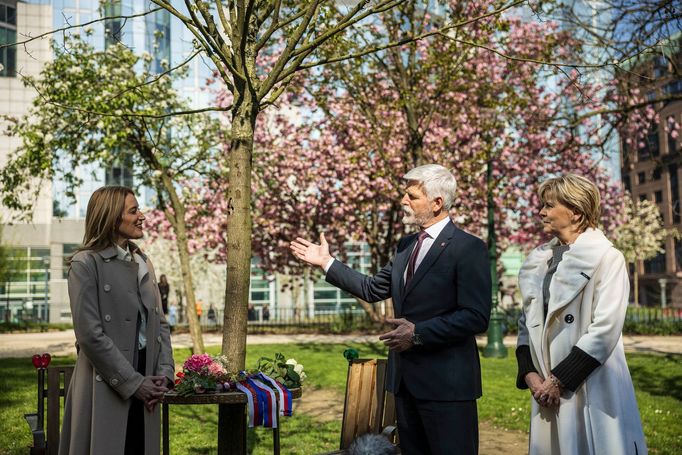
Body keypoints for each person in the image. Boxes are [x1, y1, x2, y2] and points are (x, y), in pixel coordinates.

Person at [290, 164, 491, 455]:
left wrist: (418, 333)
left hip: (447, 387)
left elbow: (475, 315)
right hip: (404, 384)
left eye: (411, 196)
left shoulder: (468, 248)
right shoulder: (405, 246)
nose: (403, 201)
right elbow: (372, 289)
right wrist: (327, 263)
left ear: (437, 203)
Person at [516, 174, 647, 455]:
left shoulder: (607, 258)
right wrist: (531, 376)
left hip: (590, 384)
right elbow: (525, 324)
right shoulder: (539, 261)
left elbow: (605, 328)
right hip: (545, 390)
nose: (541, 212)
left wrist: (558, 380)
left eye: (549, 205)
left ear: (575, 212)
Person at [59, 186, 175, 455]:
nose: (142, 216)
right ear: (112, 218)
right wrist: (134, 384)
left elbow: (160, 325)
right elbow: (90, 335)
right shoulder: (85, 264)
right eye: (133, 211)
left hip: (147, 379)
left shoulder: (144, 261)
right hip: (109, 382)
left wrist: (164, 375)